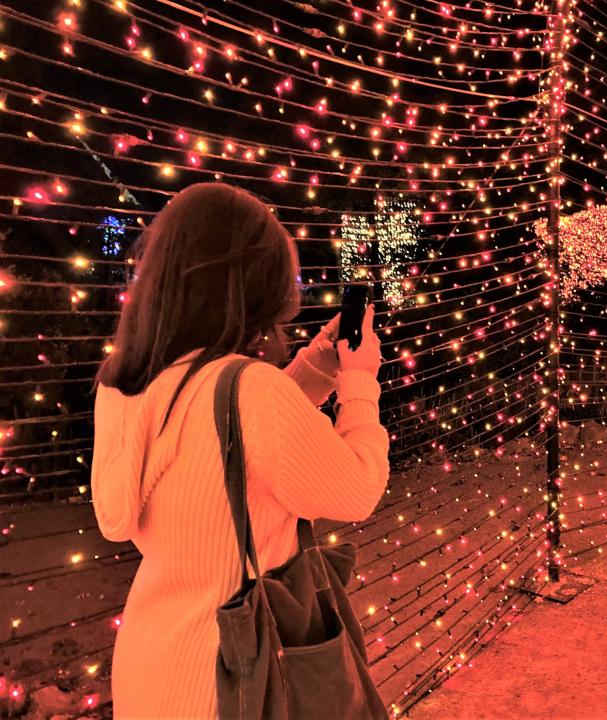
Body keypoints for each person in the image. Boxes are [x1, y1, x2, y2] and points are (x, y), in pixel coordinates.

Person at [91, 183, 389, 717]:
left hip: (151, 668)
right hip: (235, 677)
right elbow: (358, 488)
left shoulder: (123, 386)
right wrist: (360, 384)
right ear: (246, 288)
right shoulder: (252, 390)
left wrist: (316, 368)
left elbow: (222, 441)